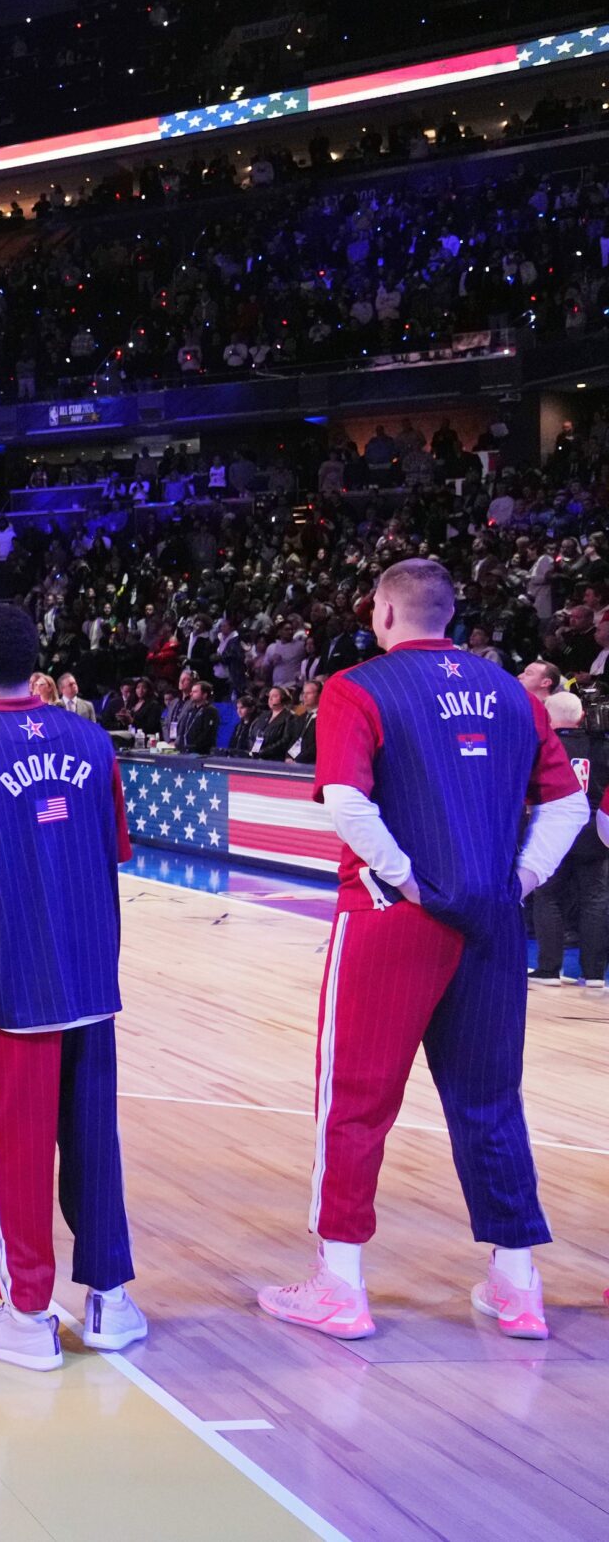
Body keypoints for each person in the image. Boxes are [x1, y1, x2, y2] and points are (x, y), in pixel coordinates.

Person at [259, 560, 587, 1343]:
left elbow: (344, 800)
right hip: (494, 920)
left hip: (391, 921)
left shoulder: (357, 686)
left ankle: (341, 1284)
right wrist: (524, 875)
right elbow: (569, 803)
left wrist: (405, 877)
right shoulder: (514, 693)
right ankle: (518, 1286)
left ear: (382, 614)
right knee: (491, 1102)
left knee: (357, 1100)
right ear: (450, 615)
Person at [0, 604, 145, 1369]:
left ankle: (24, 1316)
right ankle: (111, 1301)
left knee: (12, 1149)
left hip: (11, 978)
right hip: (90, 970)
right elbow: (112, 845)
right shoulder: (92, 737)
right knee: (93, 1144)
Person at [528, 692, 608, 987]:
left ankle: (549, 969)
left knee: (548, 896)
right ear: (582, 716)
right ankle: (595, 973)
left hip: (553, 830)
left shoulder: (545, 745)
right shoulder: (602, 745)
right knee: (595, 899)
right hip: (595, 830)